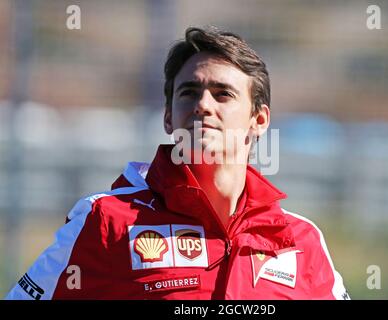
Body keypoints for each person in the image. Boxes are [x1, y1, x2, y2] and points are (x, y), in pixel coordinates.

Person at [5, 26, 349, 300]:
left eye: (223, 94)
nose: (202, 105)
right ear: (169, 117)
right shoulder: (105, 221)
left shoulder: (302, 240)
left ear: (259, 120)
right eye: (189, 92)